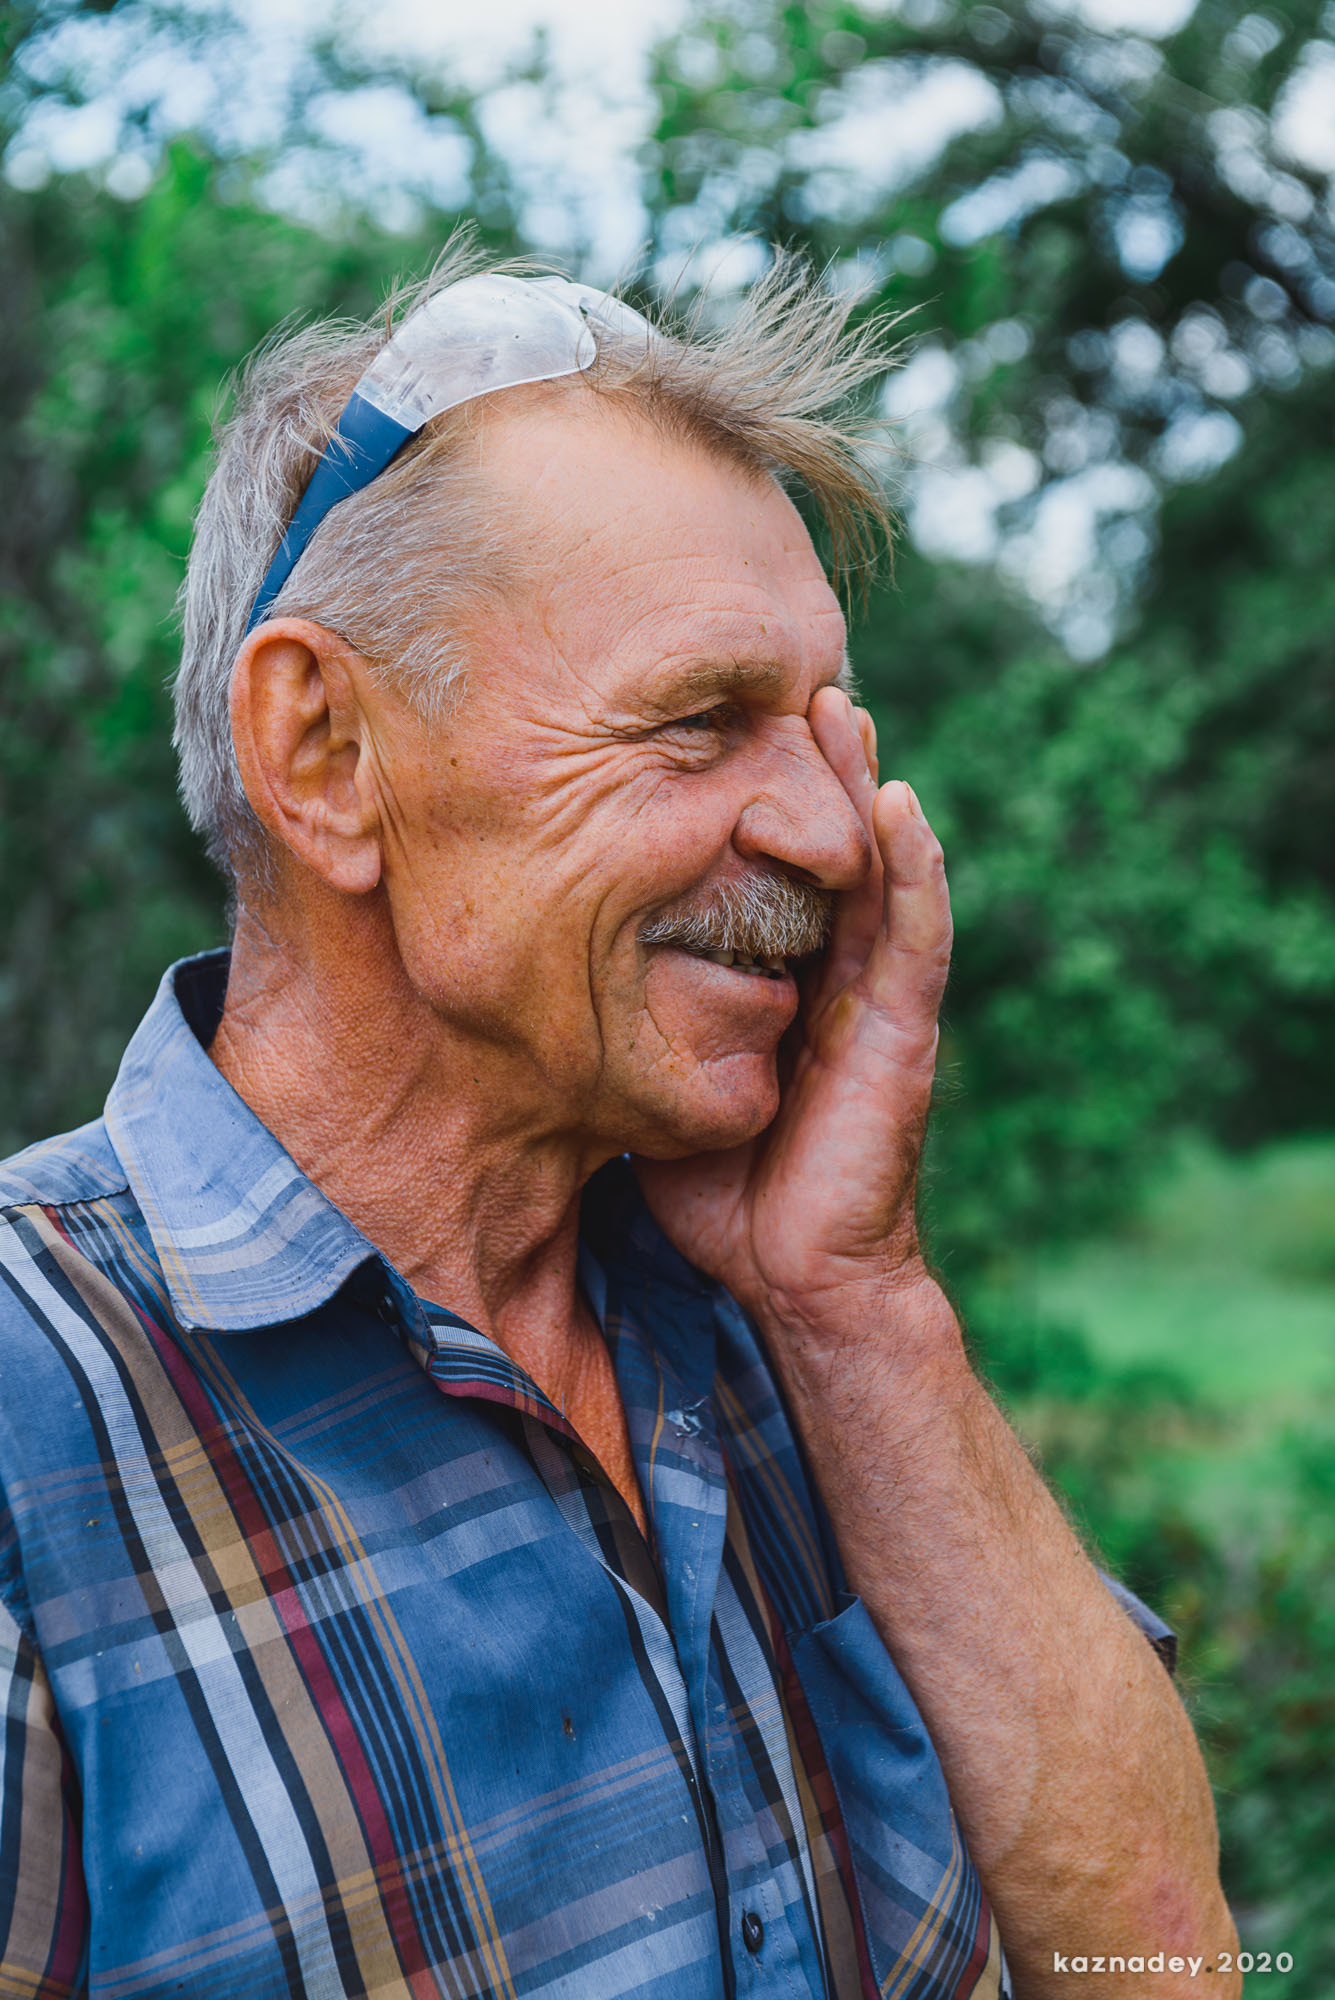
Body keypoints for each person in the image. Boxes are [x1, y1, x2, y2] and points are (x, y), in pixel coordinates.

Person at [0, 245, 1236, 2000]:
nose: (835, 832)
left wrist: (859, 1300)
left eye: (821, 728)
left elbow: (1167, 1968)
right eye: (702, 720)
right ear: (329, 752)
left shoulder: (791, 1338)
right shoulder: (32, 1415)